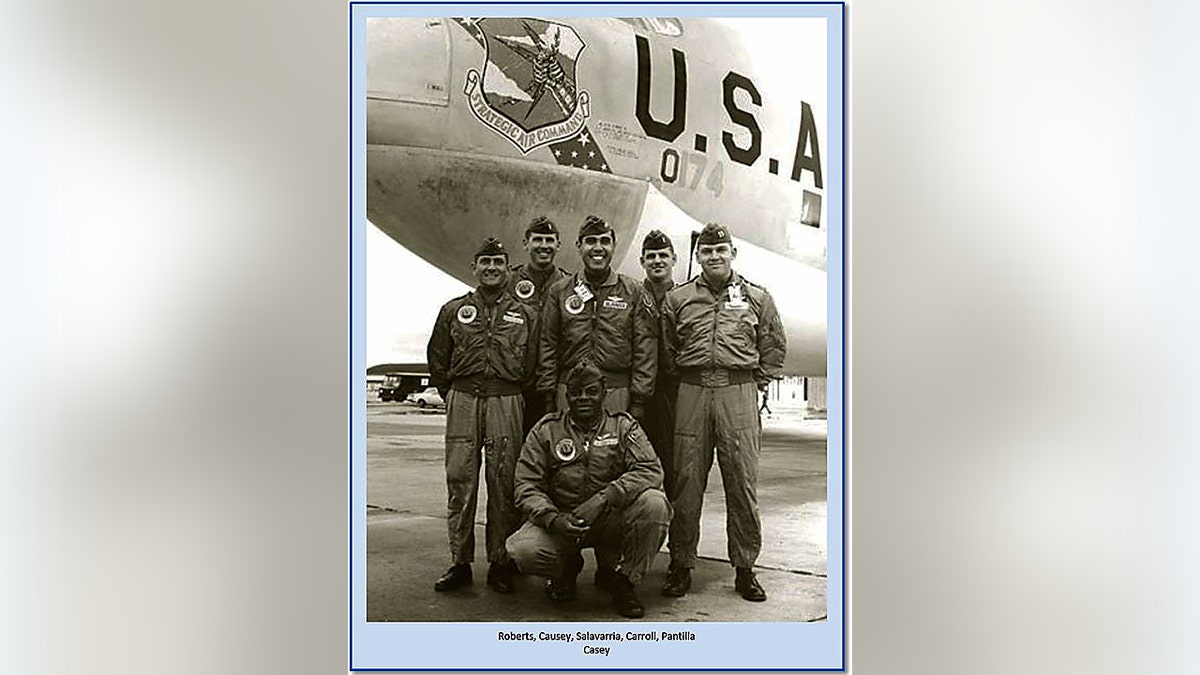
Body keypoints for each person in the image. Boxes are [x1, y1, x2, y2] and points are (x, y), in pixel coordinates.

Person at [659, 223, 786, 602]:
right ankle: (681, 563)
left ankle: (745, 568)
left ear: (733, 253)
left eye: (721, 250)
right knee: (685, 483)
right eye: (707, 251)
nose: (714, 256)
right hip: (693, 390)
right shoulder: (679, 299)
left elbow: (774, 346)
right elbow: (668, 350)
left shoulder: (757, 298)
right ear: (697, 256)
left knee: (742, 483)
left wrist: (751, 381)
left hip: (738, 392)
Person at [537, 214, 657, 586]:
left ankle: (610, 564)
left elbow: (645, 348)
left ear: (613, 247)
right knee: (566, 470)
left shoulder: (633, 292)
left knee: (614, 469)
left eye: (604, 241)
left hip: (617, 391)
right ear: (579, 247)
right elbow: (548, 345)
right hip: (569, 394)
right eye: (591, 242)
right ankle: (566, 563)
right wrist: (548, 397)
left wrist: (638, 400)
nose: (598, 249)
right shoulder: (560, 291)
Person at [506, 360, 671, 618]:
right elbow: (526, 484)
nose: (583, 398)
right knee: (522, 550)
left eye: (591, 391)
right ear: (566, 394)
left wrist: (606, 497)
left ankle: (625, 581)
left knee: (655, 504)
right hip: (564, 519)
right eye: (576, 392)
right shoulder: (546, 430)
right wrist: (552, 518)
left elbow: (650, 470)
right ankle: (565, 569)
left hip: (610, 518)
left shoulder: (623, 426)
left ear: (604, 393)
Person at [426, 237, 539, 594]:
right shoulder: (453, 310)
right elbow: (438, 357)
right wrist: (455, 393)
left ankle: (499, 561)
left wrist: (511, 394)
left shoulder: (526, 314)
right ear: (474, 267)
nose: (492, 268)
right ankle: (459, 561)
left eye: (499, 262)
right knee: (460, 480)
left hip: (506, 399)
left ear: (508, 269)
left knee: (503, 483)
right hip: (464, 399)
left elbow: (533, 364)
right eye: (485, 261)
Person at [508, 215, 570, 437]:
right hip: (516, 384)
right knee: (514, 447)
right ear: (526, 243)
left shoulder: (569, 285)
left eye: (549, 240)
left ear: (558, 245)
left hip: (553, 384)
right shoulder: (509, 282)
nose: (544, 246)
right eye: (538, 239)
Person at [638, 230, 680, 499]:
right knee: (636, 463)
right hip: (639, 393)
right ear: (642, 261)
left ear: (674, 259)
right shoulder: (631, 296)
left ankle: (676, 538)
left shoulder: (685, 298)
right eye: (651, 256)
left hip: (673, 392)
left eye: (663, 255)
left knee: (674, 466)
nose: (657, 261)